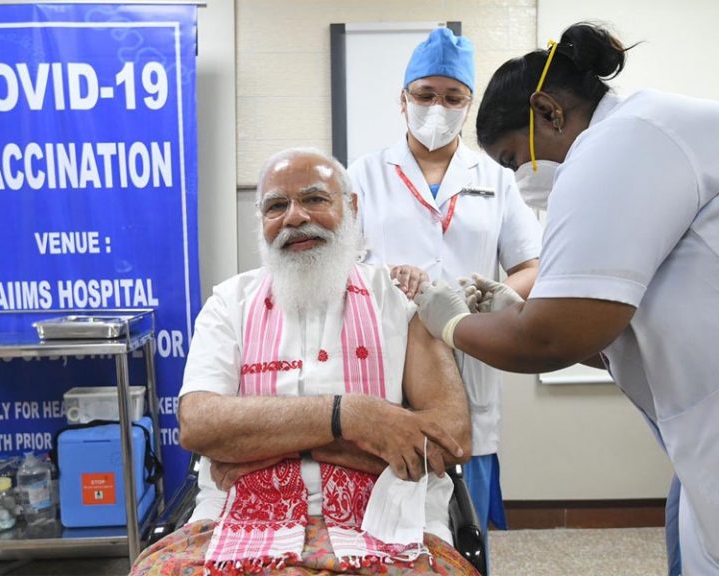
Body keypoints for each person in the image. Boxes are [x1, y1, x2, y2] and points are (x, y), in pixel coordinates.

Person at [413, 21, 719, 575]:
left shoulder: (619, 144)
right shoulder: (642, 132)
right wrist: (516, 314)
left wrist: (451, 322)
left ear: (548, 111)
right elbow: (612, 337)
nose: (521, 178)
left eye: (513, 159)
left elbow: (552, 337)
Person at [130, 148, 480, 576]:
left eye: (314, 199)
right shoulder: (229, 304)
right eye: (277, 205)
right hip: (240, 519)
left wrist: (266, 443)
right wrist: (352, 418)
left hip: (386, 520)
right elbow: (199, 424)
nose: (295, 217)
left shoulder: (402, 299)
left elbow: (449, 438)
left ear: (351, 207)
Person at [347, 26, 543, 552]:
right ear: (403, 99)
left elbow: (532, 262)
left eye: (452, 97)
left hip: (470, 351)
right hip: (387, 352)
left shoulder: (496, 178)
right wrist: (384, 282)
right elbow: (340, 267)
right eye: (425, 94)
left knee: (464, 519)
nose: (438, 107)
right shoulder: (364, 175)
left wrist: (486, 293)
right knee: (386, 514)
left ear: (468, 104)